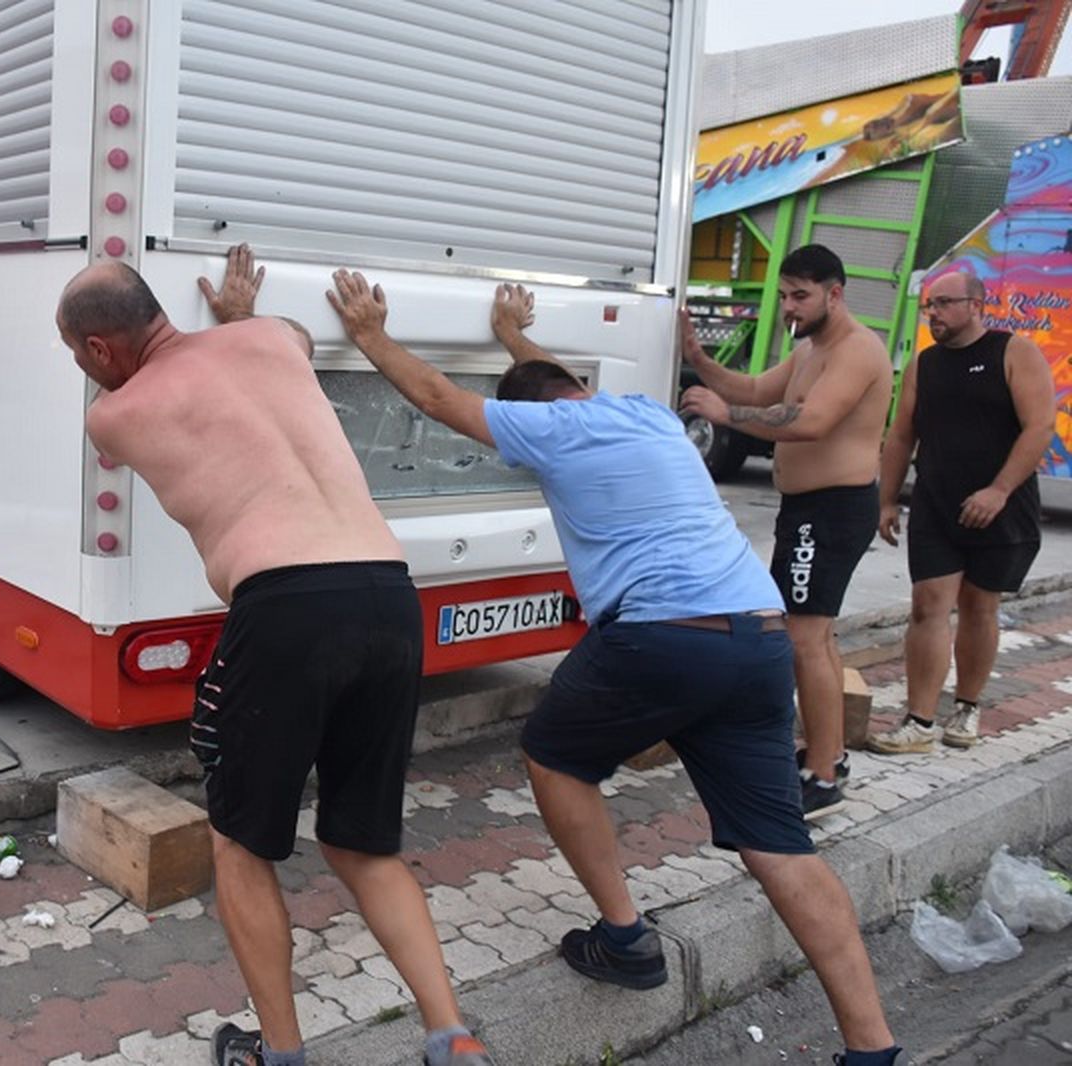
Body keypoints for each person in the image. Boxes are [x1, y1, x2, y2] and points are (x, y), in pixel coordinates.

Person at [326, 267, 903, 1066]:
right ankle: (872, 1048)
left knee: (555, 758)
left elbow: (436, 399)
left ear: (525, 416)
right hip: (758, 633)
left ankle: (626, 939)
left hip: (662, 635)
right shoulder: (648, 417)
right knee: (782, 850)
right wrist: (513, 337)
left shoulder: (545, 430)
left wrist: (368, 335)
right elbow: (553, 383)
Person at [55, 245, 493, 1066]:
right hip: (390, 596)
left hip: (286, 608)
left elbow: (176, 407)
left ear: (101, 350)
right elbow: (285, 335)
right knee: (366, 843)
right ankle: (452, 1037)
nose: (83, 370)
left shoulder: (111, 414)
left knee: (242, 845)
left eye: (79, 354)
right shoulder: (273, 340)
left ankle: (281, 1055)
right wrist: (239, 319)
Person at [680, 245, 894, 820]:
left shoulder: (856, 351)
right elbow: (752, 390)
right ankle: (830, 754)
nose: (789, 307)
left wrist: (725, 418)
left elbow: (813, 420)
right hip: (806, 512)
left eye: (800, 295)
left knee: (803, 637)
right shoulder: (811, 349)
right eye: (785, 295)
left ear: (835, 293)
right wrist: (698, 356)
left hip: (832, 510)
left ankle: (822, 776)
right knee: (813, 637)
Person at [866, 270, 1055, 754]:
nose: (934, 314)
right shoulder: (924, 364)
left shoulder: (1013, 352)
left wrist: (998, 490)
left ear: (976, 305)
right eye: (930, 305)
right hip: (936, 502)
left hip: (1002, 506)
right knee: (928, 603)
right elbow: (902, 434)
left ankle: (967, 708)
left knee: (978, 605)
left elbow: (1039, 427)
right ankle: (918, 721)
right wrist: (887, 498)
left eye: (945, 303)